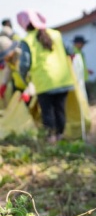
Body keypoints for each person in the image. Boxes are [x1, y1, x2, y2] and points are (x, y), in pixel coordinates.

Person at [16, 10, 76, 143]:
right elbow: (70, 50)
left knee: (47, 112)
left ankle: (51, 139)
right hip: (63, 80)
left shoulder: (27, 40)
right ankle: (60, 136)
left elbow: (24, 64)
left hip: (44, 82)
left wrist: (24, 79)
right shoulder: (56, 34)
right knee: (60, 110)